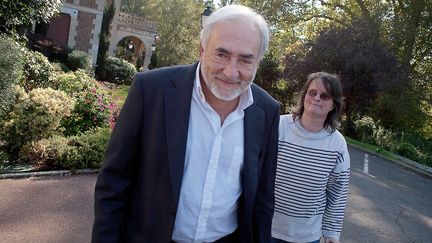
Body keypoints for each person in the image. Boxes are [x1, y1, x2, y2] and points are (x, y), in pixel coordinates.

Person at [92, 5, 280, 243]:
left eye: (245, 60)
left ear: (258, 63)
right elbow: (113, 182)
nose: (231, 72)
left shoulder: (267, 110)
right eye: (221, 54)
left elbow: (263, 198)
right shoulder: (150, 90)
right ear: (202, 50)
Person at [271, 72, 350, 243]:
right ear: (304, 95)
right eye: (312, 92)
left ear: (333, 105)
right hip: (266, 226)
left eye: (325, 96)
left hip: (306, 236)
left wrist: (331, 233)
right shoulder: (278, 126)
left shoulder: (337, 144)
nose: (316, 98)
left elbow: (337, 192)